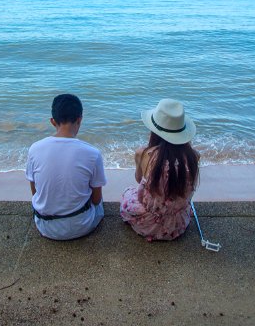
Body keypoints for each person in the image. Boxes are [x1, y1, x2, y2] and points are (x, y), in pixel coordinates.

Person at [25, 94, 106, 241]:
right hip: (82, 226)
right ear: (80, 119)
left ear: (52, 121)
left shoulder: (34, 149)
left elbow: (34, 192)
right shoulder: (92, 153)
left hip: (45, 226)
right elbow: (96, 199)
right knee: (99, 200)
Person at [120, 98, 200, 241]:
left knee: (127, 193)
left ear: (154, 131)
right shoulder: (193, 157)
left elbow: (139, 180)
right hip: (177, 225)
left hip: (147, 224)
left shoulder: (144, 154)